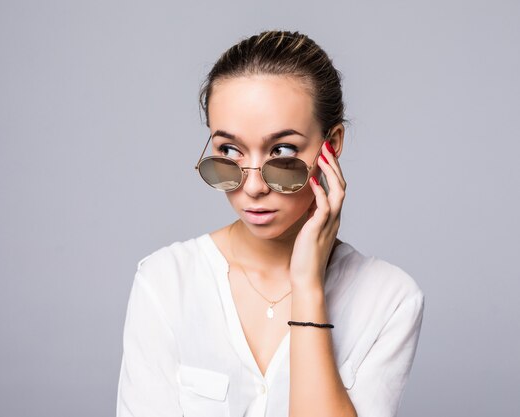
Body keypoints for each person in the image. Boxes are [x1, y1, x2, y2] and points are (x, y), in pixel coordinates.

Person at [116, 30, 424, 417]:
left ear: (333, 144)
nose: (255, 186)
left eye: (282, 151)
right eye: (229, 150)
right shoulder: (164, 283)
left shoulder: (390, 299)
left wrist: (308, 287)